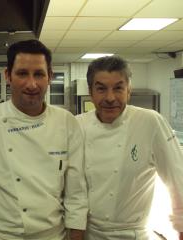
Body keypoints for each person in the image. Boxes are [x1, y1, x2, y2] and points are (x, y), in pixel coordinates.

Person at [0, 39, 88, 240]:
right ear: (8, 76)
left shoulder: (67, 122)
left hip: (52, 235)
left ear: (50, 77)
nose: (32, 84)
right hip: (1, 235)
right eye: (22, 73)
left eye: (39, 74)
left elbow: (76, 190)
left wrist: (76, 235)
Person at [75, 55, 183, 240]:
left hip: (133, 234)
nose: (110, 98)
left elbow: (178, 180)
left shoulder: (150, 122)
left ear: (129, 90)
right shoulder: (77, 126)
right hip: (89, 233)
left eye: (118, 88)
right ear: (90, 91)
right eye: (101, 89)